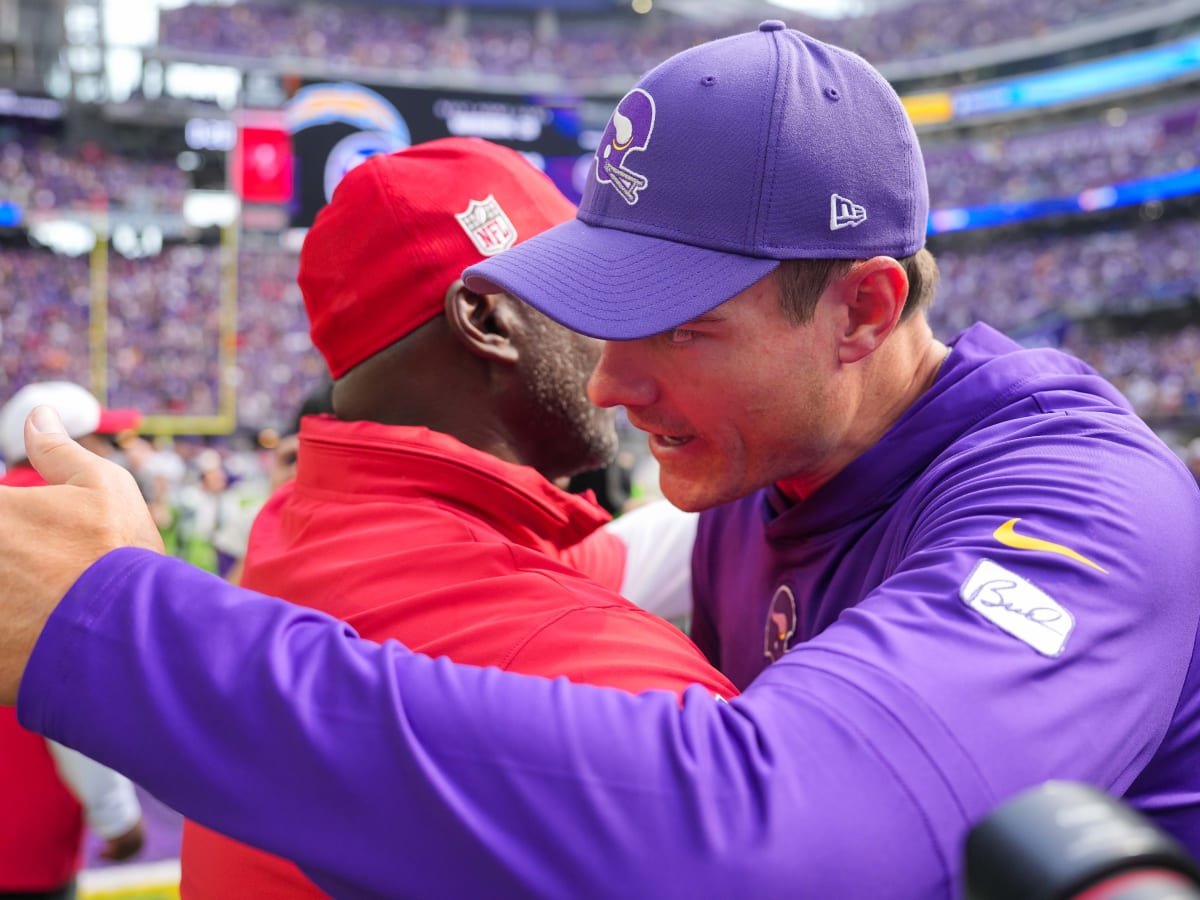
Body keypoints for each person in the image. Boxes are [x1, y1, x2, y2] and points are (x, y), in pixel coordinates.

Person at [1, 23, 1199, 899]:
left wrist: (127, 636)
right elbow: (489, 597)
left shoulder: (1087, 509)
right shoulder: (763, 468)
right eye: (605, 316)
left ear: (863, 309)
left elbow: (759, 844)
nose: (618, 386)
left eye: (681, 324)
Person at [177, 138, 736, 898]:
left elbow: (599, 563)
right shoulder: (567, 656)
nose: (615, 336)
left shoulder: (310, 523)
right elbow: (801, 831)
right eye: (585, 292)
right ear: (488, 319)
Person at [0, 382, 146, 899]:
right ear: (62, 445)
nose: (112, 456)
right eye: (100, 441)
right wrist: (117, 816)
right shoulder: (70, 530)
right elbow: (75, 693)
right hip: (26, 824)